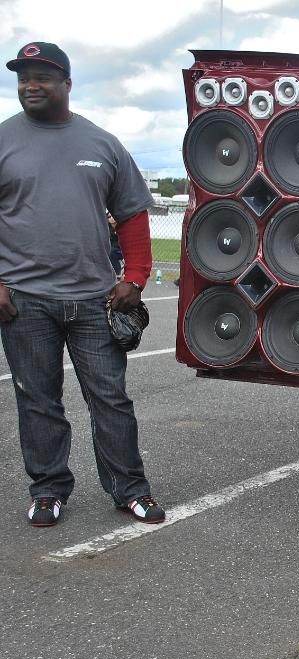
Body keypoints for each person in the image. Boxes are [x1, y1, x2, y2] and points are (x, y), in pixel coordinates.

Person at [0, 42, 165, 527]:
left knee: (111, 399)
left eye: (42, 77)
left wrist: (136, 277)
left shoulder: (102, 144)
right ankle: (48, 490)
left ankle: (129, 488)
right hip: (25, 301)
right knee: (37, 399)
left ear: (67, 83)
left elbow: (132, 214)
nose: (31, 85)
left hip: (95, 299)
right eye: (24, 77)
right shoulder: (3, 139)